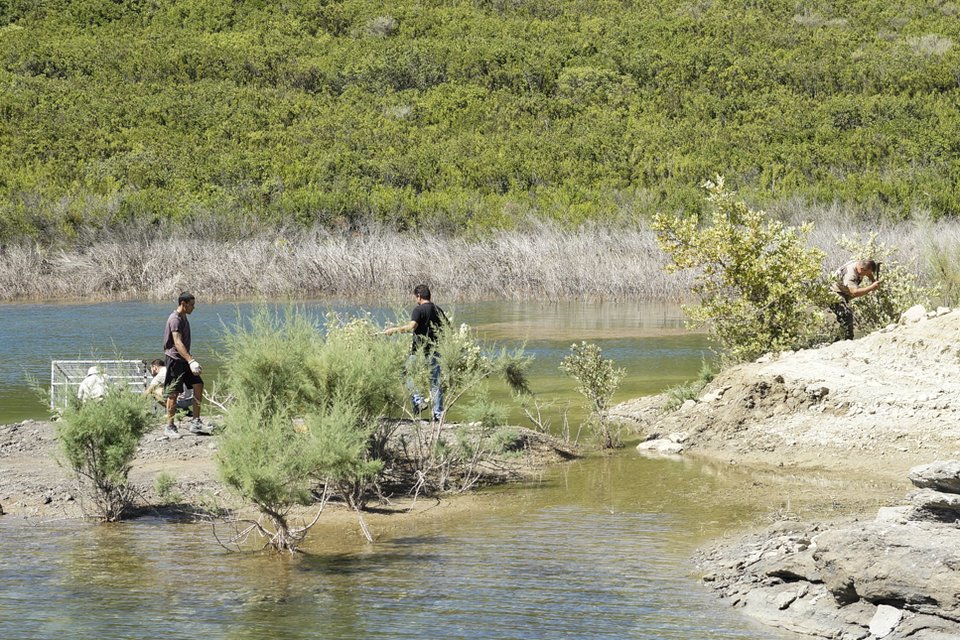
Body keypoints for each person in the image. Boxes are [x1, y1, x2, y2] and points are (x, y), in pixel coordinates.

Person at [381, 284, 448, 421]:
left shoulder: (418, 310)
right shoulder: (438, 310)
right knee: (435, 382)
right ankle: (438, 414)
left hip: (419, 351)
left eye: (416, 297)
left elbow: (412, 326)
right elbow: (447, 329)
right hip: (435, 350)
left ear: (418, 296)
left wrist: (393, 330)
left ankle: (418, 401)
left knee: (406, 373)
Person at [162, 292, 210, 438]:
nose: (193, 308)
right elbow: (177, 342)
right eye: (191, 305)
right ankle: (169, 426)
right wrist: (191, 360)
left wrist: (189, 359)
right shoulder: (175, 319)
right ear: (183, 304)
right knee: (173, 393)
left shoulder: (184, 317)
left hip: (184, 359)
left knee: (198, 384)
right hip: (175, 360)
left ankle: (195, 422)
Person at [830, 259, 881, 341]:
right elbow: (854, 292)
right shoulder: (851, 275)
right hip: (833, 294)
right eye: (867, 273)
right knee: (846, 315)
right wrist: (872, 287)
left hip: (842, 293)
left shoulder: (860, 264)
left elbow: (869, 272)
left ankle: (840, 340)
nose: (868, 275)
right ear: (862, 269)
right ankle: (845, 341)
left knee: (846, 318)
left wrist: (873, 280)